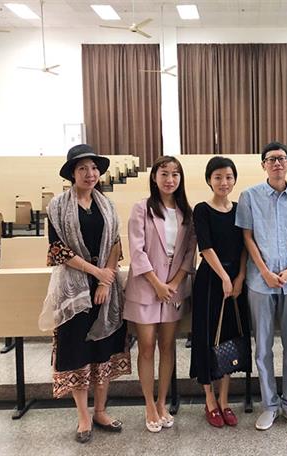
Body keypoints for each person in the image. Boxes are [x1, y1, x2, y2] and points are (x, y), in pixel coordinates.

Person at [39, 144, 130, 444]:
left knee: (103, 349)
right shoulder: (57, 207)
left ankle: (100, 410)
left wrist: (105, 282)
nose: (90, 174)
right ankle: (83, 416)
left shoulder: (107, 205)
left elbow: (115, 243)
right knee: (77, 350)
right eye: (82, 169)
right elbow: (58, 250)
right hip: (74, 289)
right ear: (72, 174)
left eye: (93, 168)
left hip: (105, 288)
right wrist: (96, 273)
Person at [235, 141, 287, 431]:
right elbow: (247, 237)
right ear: (263, 165)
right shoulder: (249, 196)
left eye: (281, 158)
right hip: (260, 281)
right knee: (263, 345)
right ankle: (269, 405)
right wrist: (265, 272)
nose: (277, 163)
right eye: (271, 159)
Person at [124, 156, 196, 433]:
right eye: (164, 173)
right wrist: (156, 284)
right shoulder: (141, 208)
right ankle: (148, 404)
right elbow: (137, 250)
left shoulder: (186, 212)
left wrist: (174, 283)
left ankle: (162, 401)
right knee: (146, 346)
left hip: (174, 289)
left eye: (175, 174)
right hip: (146, 286)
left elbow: (189, 253)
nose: (170, 179)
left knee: (167, 346)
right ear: (154, 177)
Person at [190, 156, 251, 428]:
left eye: (228, 177)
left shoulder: (239, 209)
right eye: (218, 177)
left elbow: (245, 246)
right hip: (210, 281)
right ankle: (209, 399)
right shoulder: (202, 209)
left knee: (230, 338)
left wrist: (240, 277)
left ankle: (224, 400)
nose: (223, 182)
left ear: (234, 179)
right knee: (207, 338)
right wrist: (225, 277)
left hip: (235, 282)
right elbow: (205, 247)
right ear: (209, 180)